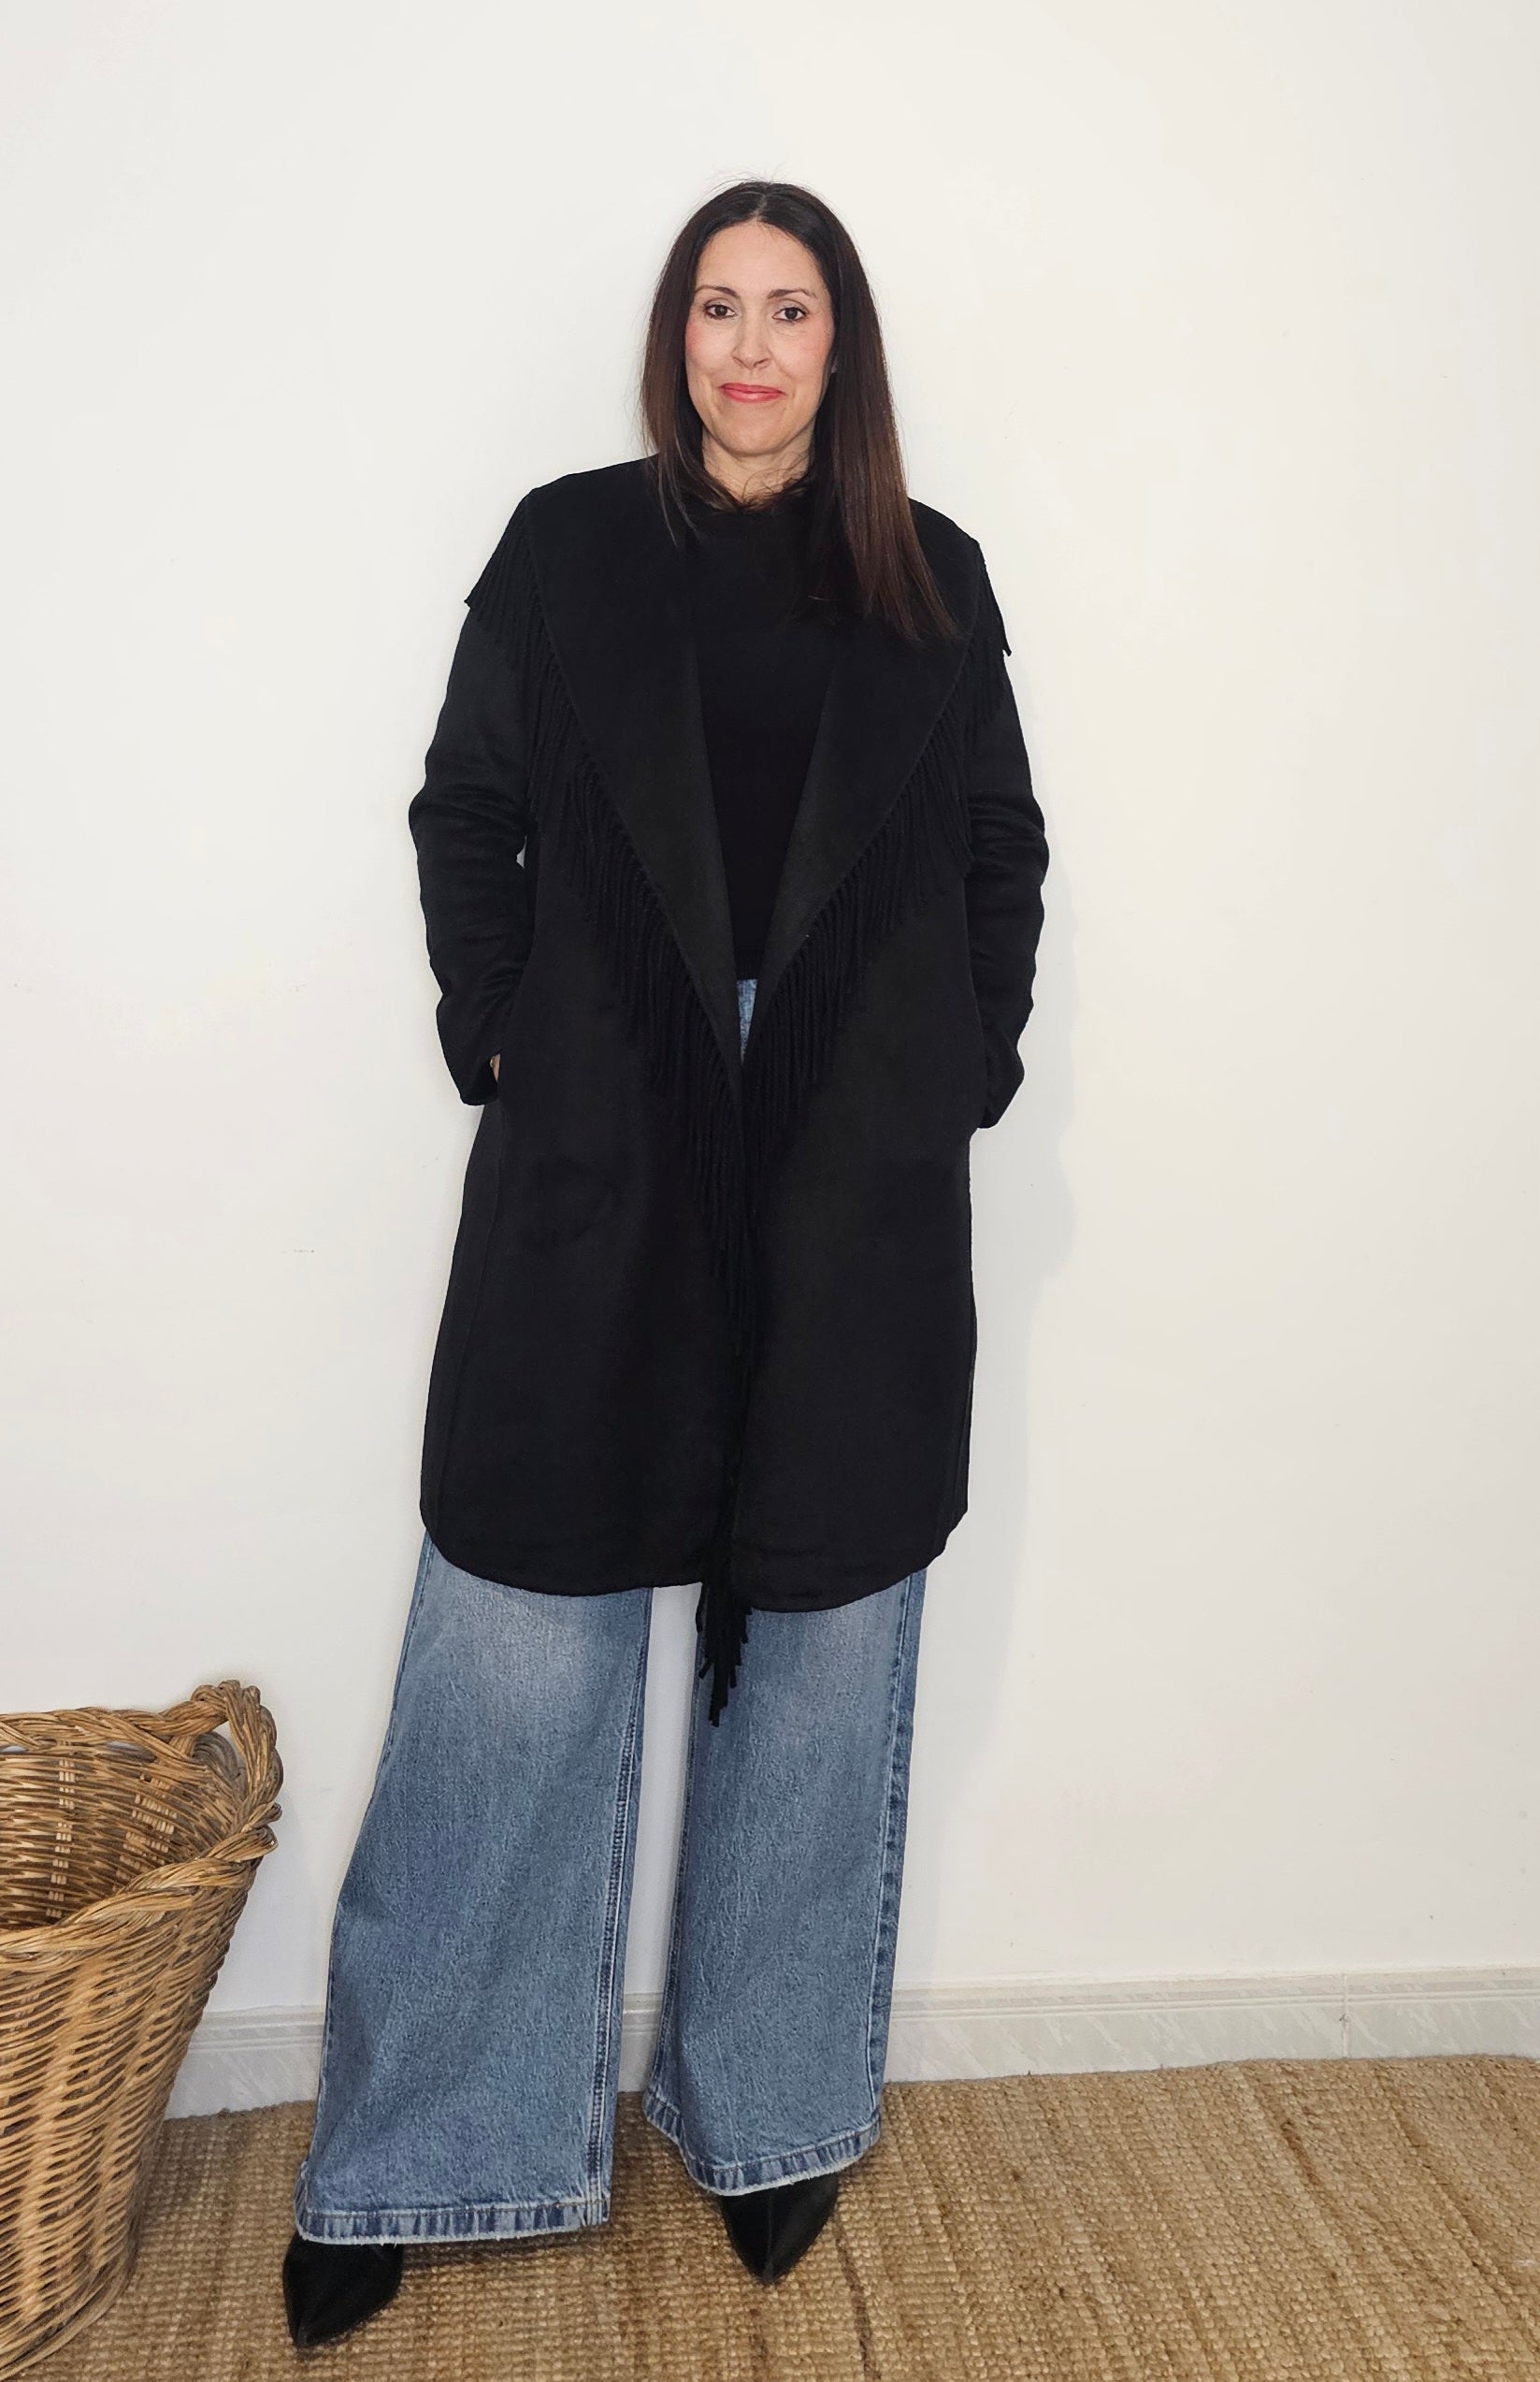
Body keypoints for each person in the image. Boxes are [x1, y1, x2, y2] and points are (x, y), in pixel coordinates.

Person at [282, 178, 1049, 2351]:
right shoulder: (566, 548)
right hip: (604, 1129)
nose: (748, 346)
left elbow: (995, 843)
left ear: (838, 346)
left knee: (820, 1635)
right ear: (675, 336)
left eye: (788, 309)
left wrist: (960, 1063)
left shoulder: (930, 575)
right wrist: (502, 1030)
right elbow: (467, 806)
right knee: (516, 1630)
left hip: (848, 1154)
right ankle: (426, 2140)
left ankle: (769, 2111)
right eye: (717, 305)